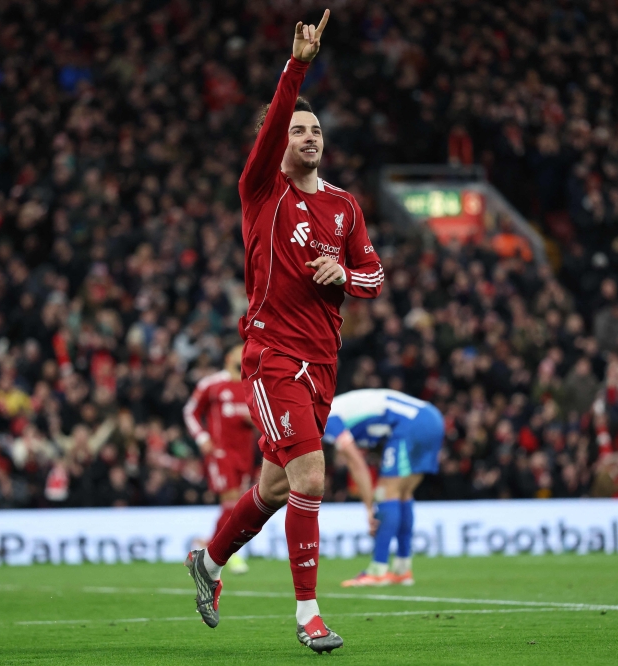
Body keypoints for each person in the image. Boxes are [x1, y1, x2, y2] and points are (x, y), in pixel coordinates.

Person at [185, 10, 383, 655]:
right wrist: (297, 67)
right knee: (311, 478)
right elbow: (275, 123)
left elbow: (376, 277)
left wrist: (344, 275)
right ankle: (308, 615)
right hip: (274, 355)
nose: (309, 135)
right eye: (299, 128)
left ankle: (209, 563)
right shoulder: (261, 191)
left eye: (317, 130)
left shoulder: (345, 206)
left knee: (274, 488)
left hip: (325, 361)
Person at [322, 390, 444, 587]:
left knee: (387, 492)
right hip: (431, 417)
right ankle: (402, 568)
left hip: (411, 424)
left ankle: (377, 570)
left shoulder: (326, 418)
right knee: (403, 494)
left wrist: (369, 508)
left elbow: (357, 463)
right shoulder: (336, 409)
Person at [183, 345, 255, 574]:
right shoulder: (211, 384)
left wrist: (253, 420)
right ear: (228, 357)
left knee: (238, 505)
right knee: (231, 502)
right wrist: (202, 437)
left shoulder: (252, 384)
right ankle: (226, 554)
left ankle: (208, 548)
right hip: (221, 453)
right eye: (240, 352)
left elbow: (263, 418)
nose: (244, 355)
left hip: (245, 454)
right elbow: (190, 411)